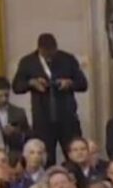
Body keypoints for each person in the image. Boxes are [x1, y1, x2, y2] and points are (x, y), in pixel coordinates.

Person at [11, 33, 88, 163]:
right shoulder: (28, 62)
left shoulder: (67, 59)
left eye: (52, 52)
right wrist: (31, 83)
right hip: (42, 119)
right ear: (39, 49)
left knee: (74, 156)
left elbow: (83, 84)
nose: (49, 56)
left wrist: (69, 83)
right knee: (45, 159)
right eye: (46, 53)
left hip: (67, 118)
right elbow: (16, 87)